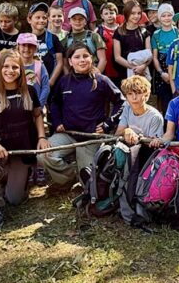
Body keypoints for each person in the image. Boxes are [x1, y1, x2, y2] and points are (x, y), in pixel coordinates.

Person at [0, 51, 49, 231]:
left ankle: (16, 177)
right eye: (6, 66)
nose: (10, 71)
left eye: (15, 67)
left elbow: (38, 115)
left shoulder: (29, 91)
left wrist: (41, 136)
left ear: (21, 70)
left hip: (21, 153)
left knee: (15, 199)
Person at [40, 44, 123, 186]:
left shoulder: (101, 80)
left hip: (90, 137)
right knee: (43, 155)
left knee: (88, 182)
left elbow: (121, 103)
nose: (82, 60)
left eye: (85, 56)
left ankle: (82, 174)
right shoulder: (64, 81)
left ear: (91, 58)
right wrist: (58, 120)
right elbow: (55, 103)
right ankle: (70, 175)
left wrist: (108, 124)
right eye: (77, 57)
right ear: (70, 62)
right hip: (68, 133)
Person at [59, 7, 108, 73]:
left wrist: (97, 75)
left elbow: (103, 59)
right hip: (74, 75)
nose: (77, 21)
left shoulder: (94, 36)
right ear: (69, 21)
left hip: (92, 72)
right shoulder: (65, 40)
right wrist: (69, 79)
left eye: (81, 19)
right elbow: (64, 64)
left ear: (85, 21)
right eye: (74, 19)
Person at [27, 2, 64, 87]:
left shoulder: (53, 38)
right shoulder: (25, 39)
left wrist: (51, 82)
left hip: (50, 82)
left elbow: (60, 62)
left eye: (44, 18)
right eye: (37, 17)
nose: (41, 20)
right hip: (30, 83)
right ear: (29, 19)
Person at [113, 1, 152, 80]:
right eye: (133, 13)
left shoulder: (144, 32)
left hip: (142, 72)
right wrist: (134, 67)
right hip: (125, 73)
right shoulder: (119, 32)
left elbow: (149, 54)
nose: (136, 16)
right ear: (127, 13)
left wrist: (143, 67)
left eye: (139, 13)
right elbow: (117, 57)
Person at [149, 4, 178, 110]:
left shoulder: (178, 32)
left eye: (169, 15)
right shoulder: (156, 34)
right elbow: (155, 57)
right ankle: (165, 124)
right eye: (163, 15)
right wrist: (161, 73)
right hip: (162, 71)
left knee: (177, 98)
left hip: (176, 69)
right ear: (159, 17)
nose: (166, 18)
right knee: (164, 100)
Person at [16, 33, 50, 106]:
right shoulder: (14, 65)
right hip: (17, 107)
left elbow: (46, 87)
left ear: (35, 48)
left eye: (30, 45)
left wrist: (39, 106)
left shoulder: (40, 65)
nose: (27, 49)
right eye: (23, 45)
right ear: (18, 46)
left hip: (35, 106)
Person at [97, 2, 122, 86]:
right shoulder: (98, 31)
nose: (109, 16)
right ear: (102, 16)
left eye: (112, 13)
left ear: (116, 14)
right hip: (105, 68)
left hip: (121, 67)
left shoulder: (122, 29)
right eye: (106, 14)